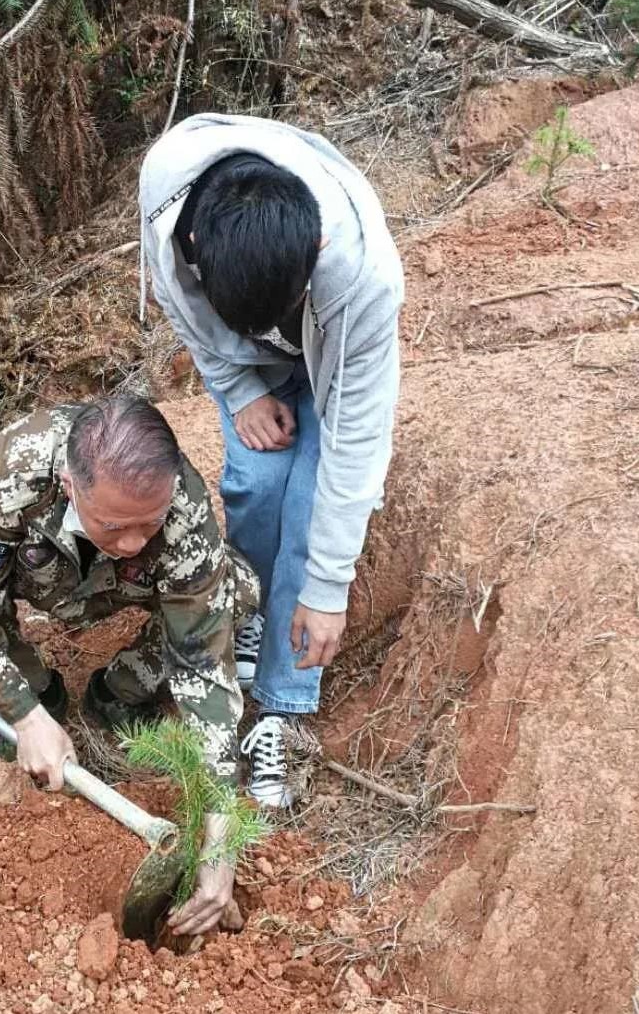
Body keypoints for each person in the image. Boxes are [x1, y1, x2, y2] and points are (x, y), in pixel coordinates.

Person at [0, 394, 258, 937]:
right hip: (36, 575)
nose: (136, 540)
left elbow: (203, 661)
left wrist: (219, 833)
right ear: (71, 486)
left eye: (150, 523)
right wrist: (23, 713)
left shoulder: (181, 505)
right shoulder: (13, 473)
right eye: (116, 524)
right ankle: (43, 693)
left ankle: (119, 688)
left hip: (117, 588)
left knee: (234, 592)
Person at [139, 114, 404, 807]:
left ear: (314, 247)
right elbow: (182, 311)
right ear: (198, 246)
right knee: (256, 482)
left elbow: (355, 440)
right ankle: (249, 606)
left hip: (332, 361)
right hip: (247, 372)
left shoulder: (363, 277)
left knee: (308, 498)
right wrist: (241, 388)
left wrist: (328, 588)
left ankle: (282, 708)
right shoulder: (169, 197)